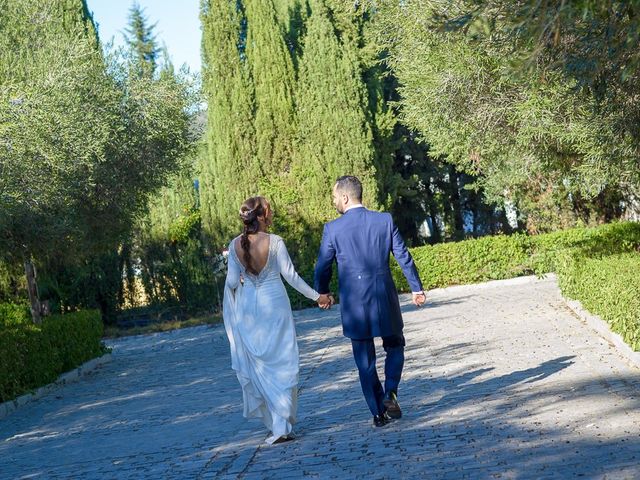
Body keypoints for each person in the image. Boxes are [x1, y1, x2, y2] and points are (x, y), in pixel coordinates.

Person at [314, 176, 426, 427]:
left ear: (344, 197)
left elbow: (323, 266)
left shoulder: (333, 229)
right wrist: (416, 288)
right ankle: (390, 392)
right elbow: (403, 257)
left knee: (364, 360)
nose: (333, 201)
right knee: (395, 345)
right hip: (383, 297)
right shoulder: (384, 220)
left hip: (354, 304)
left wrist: (322, 292)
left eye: (334, 197)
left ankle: (377, 412)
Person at [223, 196, 332, 444]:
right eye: (269, 211)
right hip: (275, 305)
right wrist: (318, 297)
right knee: (283, 361)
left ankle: (277, 423)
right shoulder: (275, 242)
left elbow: (230, 283)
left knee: (261, 364)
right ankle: (282, 424)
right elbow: (291, 277)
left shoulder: (234, 245)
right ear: (260, 216)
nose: (272, 214)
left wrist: (241, 281)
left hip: (249, 308)